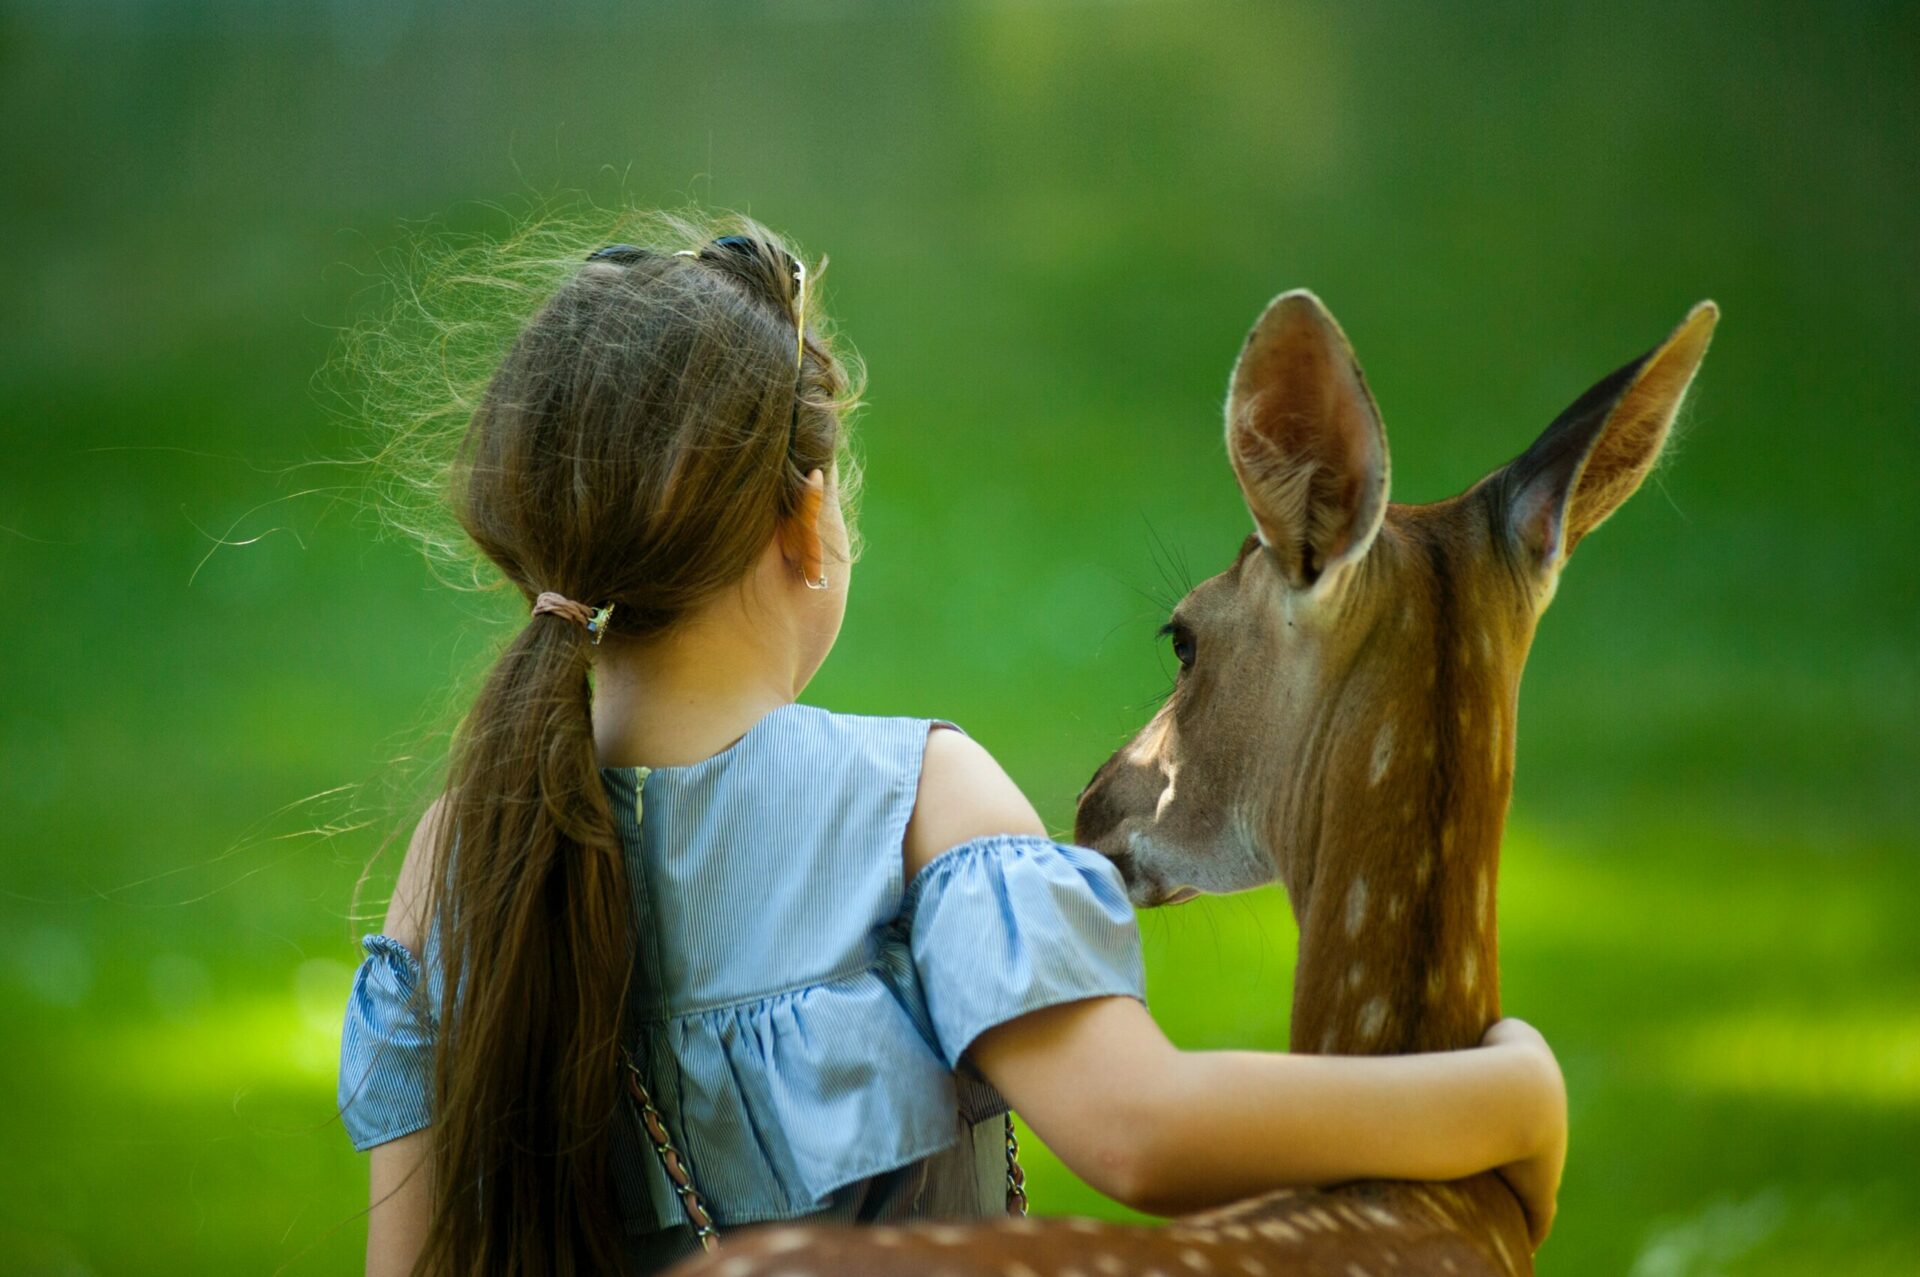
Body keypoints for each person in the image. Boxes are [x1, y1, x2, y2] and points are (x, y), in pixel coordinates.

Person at [336, 215, 1567, 1277]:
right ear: (807, 523)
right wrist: (1510, 1094)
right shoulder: (915, 798)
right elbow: (1140, 1129)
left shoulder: (463, 849)